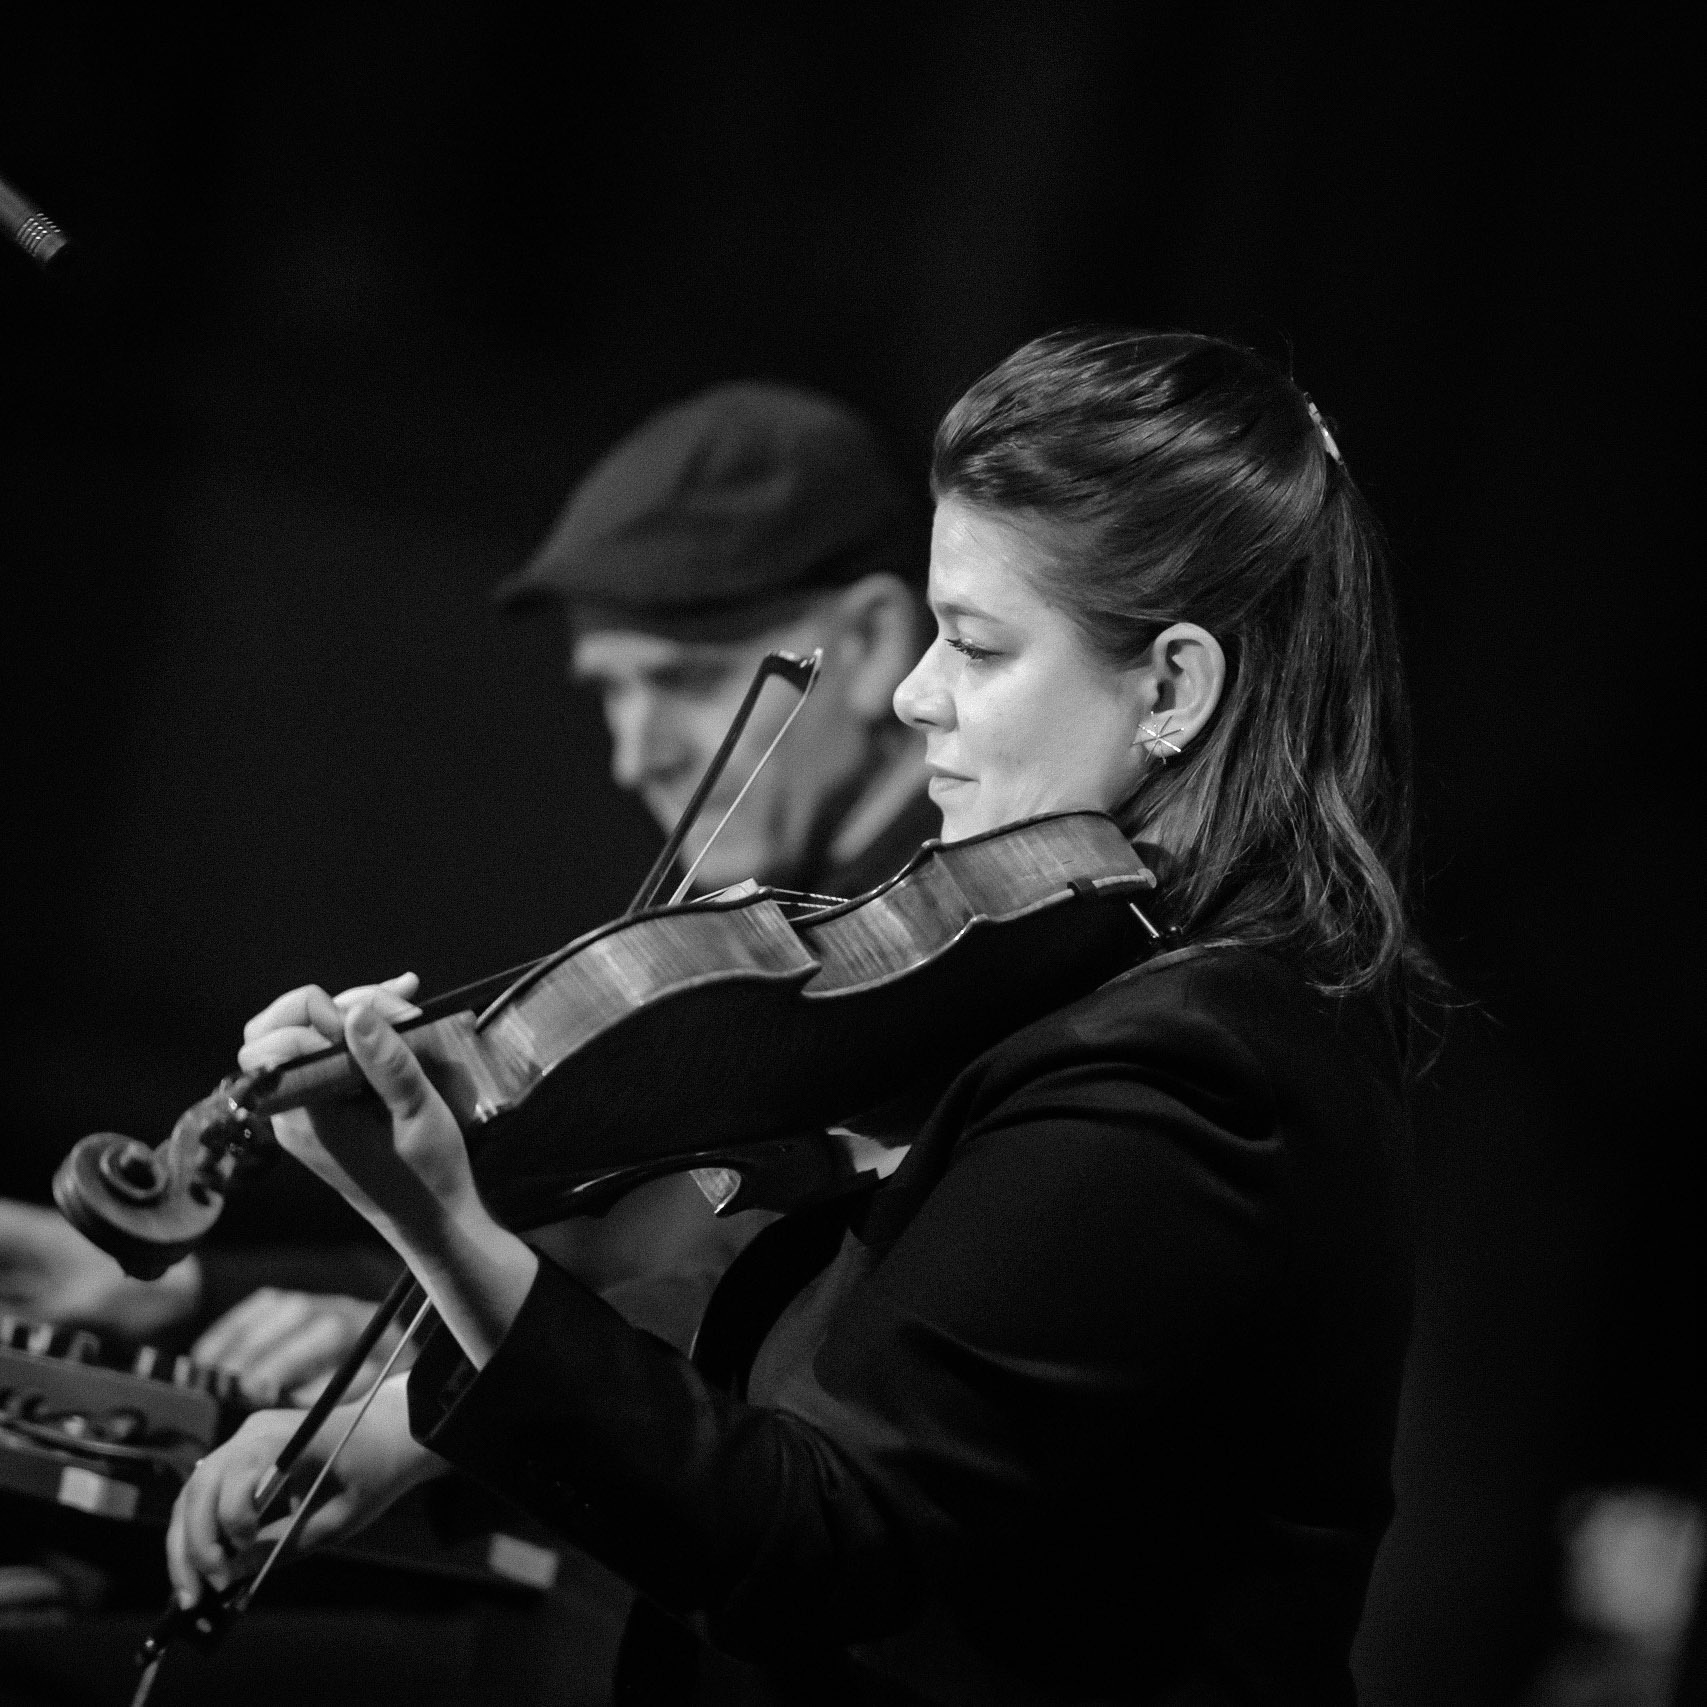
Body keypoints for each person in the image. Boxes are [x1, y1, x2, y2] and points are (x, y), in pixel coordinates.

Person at [170, 326, 1422, 1704]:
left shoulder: (1191, 1072)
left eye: (975, 645)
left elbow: (823, 1538)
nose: (912, 695)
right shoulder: (1085, 981)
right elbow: (786, 1314)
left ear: (1173, 687)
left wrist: (443, 1224)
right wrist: (415, 1420)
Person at [2, 381, 931, 1392]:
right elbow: (607, 1267)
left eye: (685, 681)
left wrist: (445, 1380)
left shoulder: (937, 978)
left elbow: (752, 1325)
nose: (634, 757)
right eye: (611, 690)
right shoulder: (761, 939)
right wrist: (185, 1291)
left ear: (872, 644)